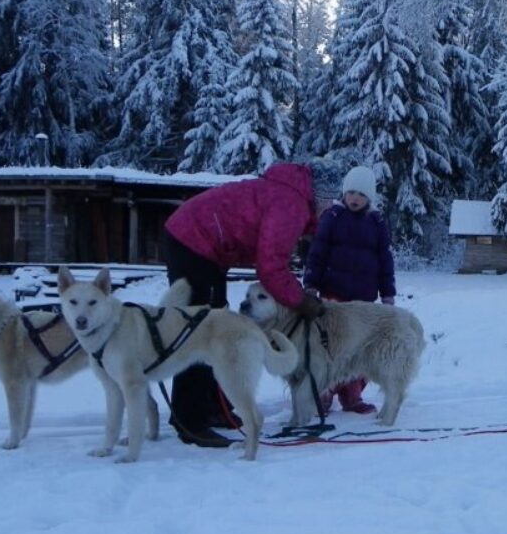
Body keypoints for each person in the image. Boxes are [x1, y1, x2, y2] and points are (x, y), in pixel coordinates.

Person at [161, 161, 333, 448]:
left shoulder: (289, 195)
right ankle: (189, 418)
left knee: (213, 324)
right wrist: (301, 300)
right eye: (330, 201)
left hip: (197, 241)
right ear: (321, 194)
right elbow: (271, 267)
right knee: (199, 330)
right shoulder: (291, 204)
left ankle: (212, 406)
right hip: (194, 241)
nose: (330, 208)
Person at [303, 165, 396, 414]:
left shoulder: (376, 223)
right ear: (344, 193)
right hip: (333, 296)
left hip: (363, 300)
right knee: (331, 349)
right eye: (351, 192)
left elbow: (385, 260)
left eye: (361, 194)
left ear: (370, 198)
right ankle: (323, 394)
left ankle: (352, 396)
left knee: (358, 350)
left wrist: (388, 293)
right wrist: (311, 284)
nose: (355, 198)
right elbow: (317, 253)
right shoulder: (332, 218)